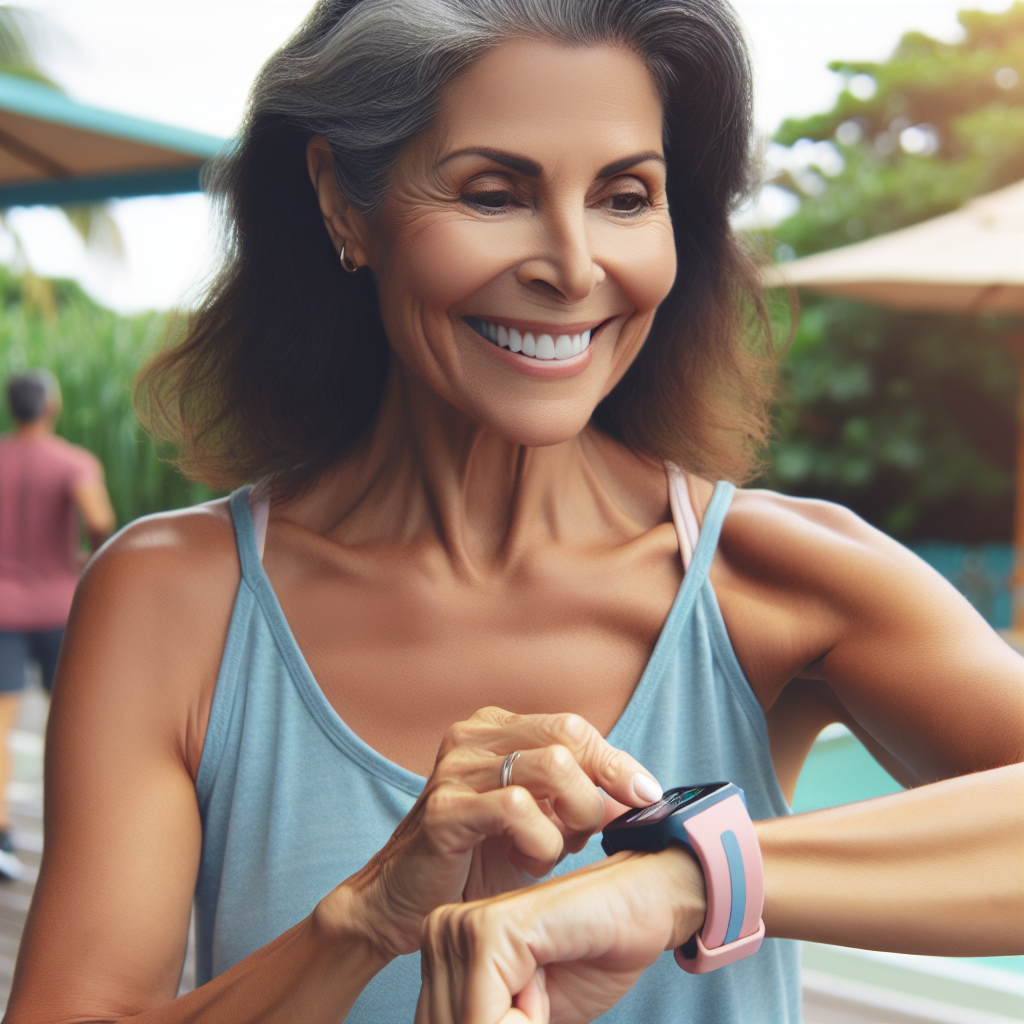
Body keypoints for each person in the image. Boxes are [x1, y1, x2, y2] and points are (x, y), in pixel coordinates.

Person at [5, 1, 1022, 1021]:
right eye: (494, 193)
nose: (574, 266)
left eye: (626, 197)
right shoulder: (173, 603)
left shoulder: (772, 577)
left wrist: (684, 873)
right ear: (342, 206)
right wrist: (361, 920)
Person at [0, 369, 114, 881]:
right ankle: (77, 842)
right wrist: (85, 556)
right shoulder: (73, 461)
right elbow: (99, 519)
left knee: (1, 728)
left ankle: (1, 836)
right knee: (71, 723)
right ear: (50, 405)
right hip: (55, 608)